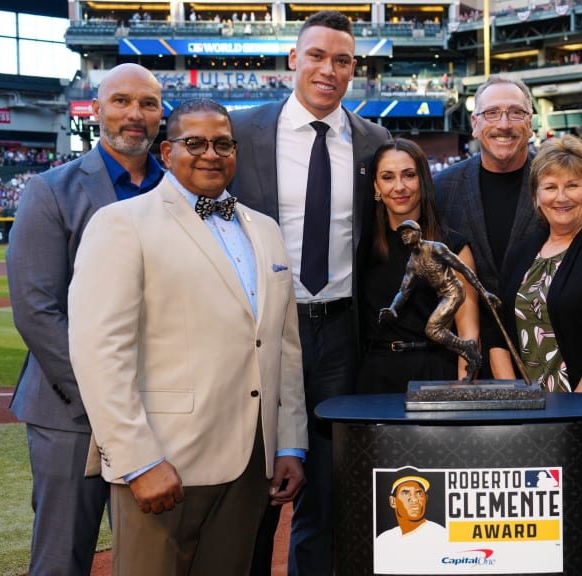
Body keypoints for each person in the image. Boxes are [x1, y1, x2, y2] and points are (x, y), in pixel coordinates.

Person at [66, 98, 307, 575]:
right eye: (194, 142)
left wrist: (289, 444)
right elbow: (100, 354)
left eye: (222, 143)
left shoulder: (266, 229)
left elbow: (284, 348)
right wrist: (137, 461)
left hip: (250, 464)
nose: (210, 154)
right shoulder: (121, 224)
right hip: (164, 461)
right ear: (165, 152)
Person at [229, 10, 392, 574]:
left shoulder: (376, 142)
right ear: (294, 59)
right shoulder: (241, 133)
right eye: (317, 56)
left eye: (342, 60)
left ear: (354, 70)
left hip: (340, 333)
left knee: (326, 492)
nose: (329, 69)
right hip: (261, 331)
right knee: (251, 492)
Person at [6, 63, 164, 576]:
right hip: (71, 413)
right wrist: (108, 395)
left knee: (152, 557)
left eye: (147, 103)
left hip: (165, 408)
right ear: (95, 111)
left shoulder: (183, 192)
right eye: (120, 101)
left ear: (162, 115)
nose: (134, 114)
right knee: (62, 558)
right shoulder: (51, 190)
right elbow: (36, 309)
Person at [487, 134, 582, 576]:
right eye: (550, 186)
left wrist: (569, 416)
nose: (561, 196)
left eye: (573, 185)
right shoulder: (520, 252)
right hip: (527, 420)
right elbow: (498, 332)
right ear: (536, 195)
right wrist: (513, 402)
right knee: (534, 541)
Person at [434, 74, 546, 376]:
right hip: (463, 358)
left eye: (516, 113)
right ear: (475, 123)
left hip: (546, 354)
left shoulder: (556, 181)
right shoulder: (441, 188)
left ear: (531, 122)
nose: (504, 124)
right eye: (492, 113)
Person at [358, 139, 482, 392]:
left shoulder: (452, 245)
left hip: (437, 372)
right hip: (376, 375)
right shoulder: (361, 246)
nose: (399, 187)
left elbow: (468, 329)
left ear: (423, 181)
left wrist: (463, 389)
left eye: (409, 175)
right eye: (388, 177)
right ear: (376, 186)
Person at [379, 220, 499, 382]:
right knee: (445, 340)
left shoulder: (436, 248)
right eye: (403, 234)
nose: (405, 236)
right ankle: (472, 359)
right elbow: (404, 291)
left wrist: (484, 292)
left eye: (409, 232)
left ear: (419, 233)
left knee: (432, 329)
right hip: (442, 297)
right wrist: (393, 307)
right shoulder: (413, 263)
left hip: (454, 292)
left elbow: (462, 268)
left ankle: (468, 346)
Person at [374, 474, 447, 573]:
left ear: (426, 499)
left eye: (419, 493)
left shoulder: (440, 535)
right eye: (405, 492)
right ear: (393, 501)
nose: (414, 499)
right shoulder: (384, 539)